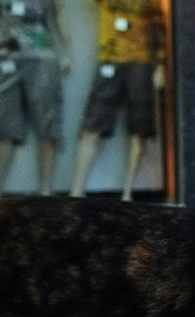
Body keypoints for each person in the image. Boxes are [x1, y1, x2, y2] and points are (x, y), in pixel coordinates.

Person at [70, 0, 164, 201]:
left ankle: (127, 194)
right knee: (93, 125)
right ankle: (76, 191)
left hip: (140, 62)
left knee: (139, 130)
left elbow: (158, 25)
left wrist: (161, 65)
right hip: (109, 59)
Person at [0, 0, 70, 198]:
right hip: (1, 56)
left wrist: (67, 52)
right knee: (2, 127)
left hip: (42, 54)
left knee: (48, 122)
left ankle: (45, 192)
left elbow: (59, 10)